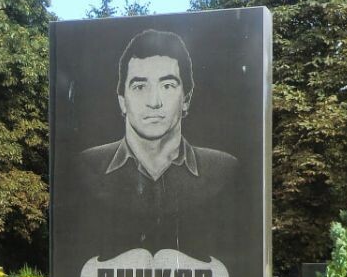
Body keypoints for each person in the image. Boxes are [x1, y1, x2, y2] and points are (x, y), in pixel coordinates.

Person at [75, 29, 238, 255]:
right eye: (140, 87)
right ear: (122, 101)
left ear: (186, 99)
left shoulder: (225, 171)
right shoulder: (84, 168)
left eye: (167, 85)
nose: (154, 102)